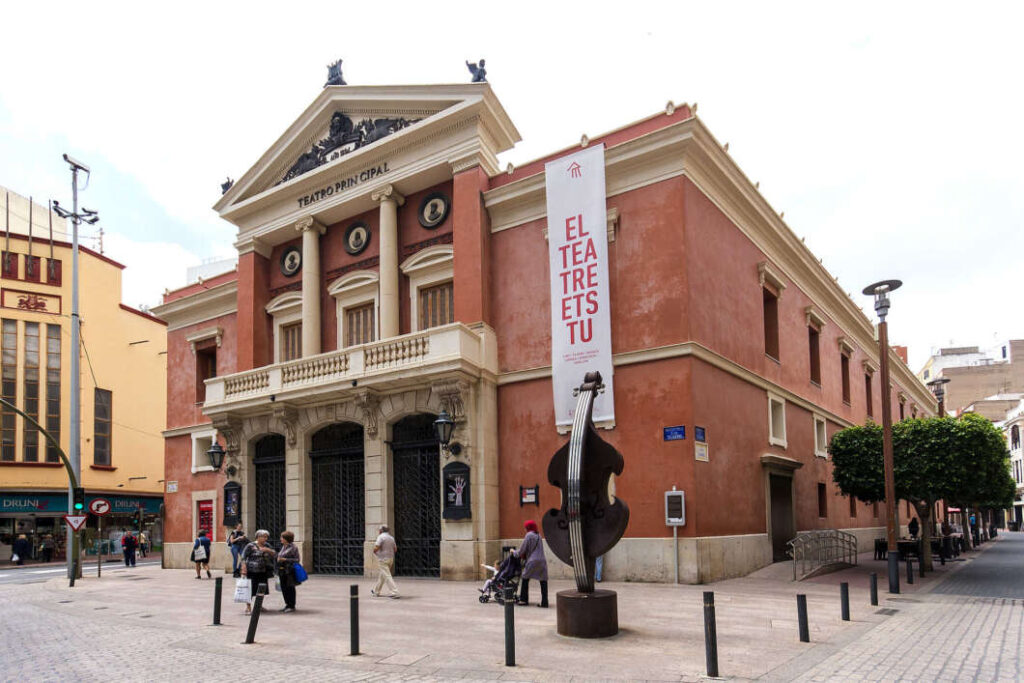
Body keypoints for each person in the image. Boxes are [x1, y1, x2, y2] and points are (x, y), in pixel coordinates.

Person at [240, 530, 276, 615]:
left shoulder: (267, 545)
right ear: (258, 537)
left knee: (261, 589)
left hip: (263, 571)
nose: (265, 538)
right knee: (250, 589)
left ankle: (259, 605)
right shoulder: (250, 545)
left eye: (266, 537)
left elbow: (275, 554)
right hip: (251, 571)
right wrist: (243, 567)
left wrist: (268, 550)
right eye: (264, 536)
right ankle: (248, 607)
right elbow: (243, 557)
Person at [515, 520, 549, 608]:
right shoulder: (538, 535)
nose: (525, 529)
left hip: (532, 560)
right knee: (543, 580)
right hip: (542, 560)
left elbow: (522, 549)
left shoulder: (529, 535)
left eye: (526, 527)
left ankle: (523, 600)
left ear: (528, 527)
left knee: (525, 578)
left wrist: (514, 552)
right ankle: (545, 602)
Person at [371, 525, 399, 598]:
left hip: (383, 559)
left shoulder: (381, 537)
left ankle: (395, 592)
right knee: (382, 576)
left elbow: (377, 546)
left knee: (387, 576)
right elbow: (395, 549)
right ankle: (376, 592)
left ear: (381, 530)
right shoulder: (391, 538)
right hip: (390, 559)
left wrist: (375, 551)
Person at [276, 530, 300, 612]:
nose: (280, 539)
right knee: (283, 588)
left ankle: (291, 605)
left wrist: (285, 559)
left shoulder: (293, 547)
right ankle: (287, 604)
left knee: (290, 588)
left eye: (282, 537)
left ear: (286, 539)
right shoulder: (283, 546)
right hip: (282, 570)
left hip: (289, 570)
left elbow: (297, 559)